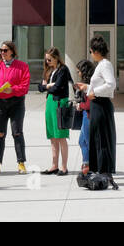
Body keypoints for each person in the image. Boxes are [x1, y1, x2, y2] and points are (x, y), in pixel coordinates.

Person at [76, 35, 117, 191]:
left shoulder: (105, 65)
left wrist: (94, 92)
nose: (90, 53)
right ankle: (101, 170)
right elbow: (101, 85)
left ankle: (105, 172)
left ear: (95, 51)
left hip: (101, 105)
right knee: (98, 139)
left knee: (102, 139)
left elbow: (111, 84)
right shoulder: (101, 64)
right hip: (97, 104)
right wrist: (86, 87)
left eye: (91, 51)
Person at [0, 40, 30, 173]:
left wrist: (13, 90)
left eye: (5, 50)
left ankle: (21, 164)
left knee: (17, 132)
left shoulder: (22, 66)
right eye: (1, 50)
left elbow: (25, 86)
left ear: (12, 52)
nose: (2, 53)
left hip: (16, 103)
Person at [40, 47, 72, 175]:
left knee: (61, 136)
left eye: (49, 59)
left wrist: (46, 86)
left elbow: (57, 88)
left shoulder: (63, 70)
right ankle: (54, 165)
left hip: (59, 103)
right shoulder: (49, 70)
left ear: (56, 58)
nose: (47, 61)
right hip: (50, 103)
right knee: (52, 136)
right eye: (46, 59)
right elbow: (40, 87)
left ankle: (64, 167)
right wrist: (48, 86)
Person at [73, 59, 95, 186]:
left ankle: (88, 166)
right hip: (86, 116)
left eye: (79, 71)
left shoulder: (90, 84)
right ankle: (86, 163)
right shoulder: (86, 83)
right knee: (82, 141)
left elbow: (88, 103)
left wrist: (80, 105)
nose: (78, 73)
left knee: (87, 141)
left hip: (89, 116)